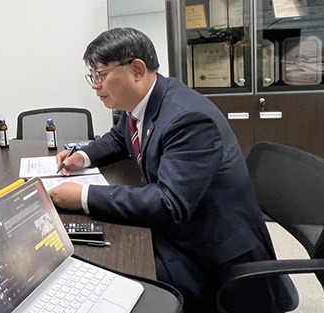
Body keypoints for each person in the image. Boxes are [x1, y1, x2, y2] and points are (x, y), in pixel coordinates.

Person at [48, 28, 298, 313]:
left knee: (111, 276)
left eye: (101, 75)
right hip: (182, 228)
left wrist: (84, 196)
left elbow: (170, 203)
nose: (95, 85)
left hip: (210, 250)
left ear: (137, 70)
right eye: (92, 76)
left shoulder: (188, 118)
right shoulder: (140, 104)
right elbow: (120, 137)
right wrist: (83, 156)